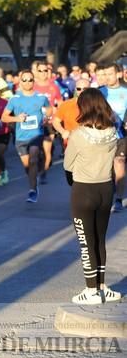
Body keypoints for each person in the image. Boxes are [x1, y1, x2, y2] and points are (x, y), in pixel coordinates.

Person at [64, 88, 121, 304]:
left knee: (85, 242)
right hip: (105, 189)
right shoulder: (112, 131)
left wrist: (73, 182)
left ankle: (90, 291)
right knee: (99, 240)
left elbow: (68, 166)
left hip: (83, 190)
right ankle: (102, 286)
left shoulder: (78, 134)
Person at [1, 69, 51, 203]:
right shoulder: (14, 99)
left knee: (33, 158)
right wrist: (17, 119)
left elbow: (49, 108)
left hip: (36, 135)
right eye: (24, 80)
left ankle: (32, 190)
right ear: (20, 82)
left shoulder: (41, 97)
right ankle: (34, 180)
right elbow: (4, 117)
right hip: (21, 138)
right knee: (28, 166)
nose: (27, 82)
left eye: (30, 80)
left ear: (34, 81)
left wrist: (47, 116)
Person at [98, 64, 127, 213]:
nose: (107, 77)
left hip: (121, 135)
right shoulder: (99, 93)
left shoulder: (126, 92)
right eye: (105, 74)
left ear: (118, 74)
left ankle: (118, 199)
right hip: (102, 136)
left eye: (110, 73)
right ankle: (107, 195)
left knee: (119, 162)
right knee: (106, 169)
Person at [32, 60, 62, 184]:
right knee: (35, 151)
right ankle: (37, 169)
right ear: (36, 72)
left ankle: (43, 173)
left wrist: (57, 112)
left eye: (46, 70)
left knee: (46, 151)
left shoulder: (53, 86)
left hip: (49, 123)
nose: (43, 73)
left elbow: (60, 103)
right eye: (41, 71)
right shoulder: (32, 86)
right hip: (34, 122)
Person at [53, 78, 90, 148]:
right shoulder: (66, 104)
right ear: (75, 90)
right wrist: (63, 131)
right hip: (71, 144)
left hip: (90, 144)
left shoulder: (96, 104)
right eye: (79, 89)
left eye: (85, 89)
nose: (82, 91)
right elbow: (55, 121)